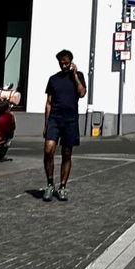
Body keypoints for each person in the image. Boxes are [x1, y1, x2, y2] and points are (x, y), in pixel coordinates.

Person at [42, 49, 86, 202]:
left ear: (71, 62)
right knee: (48, 150)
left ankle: (62, 186)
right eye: (61, 63)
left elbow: (81, 93)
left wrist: (74, 75)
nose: (64, 65)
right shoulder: (53, 79)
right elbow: (48, 103)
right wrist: (46, 124)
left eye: (66, 62)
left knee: (67, 154)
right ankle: (49, 184)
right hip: (55, 118)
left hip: (70, 120)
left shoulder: (78, 77)